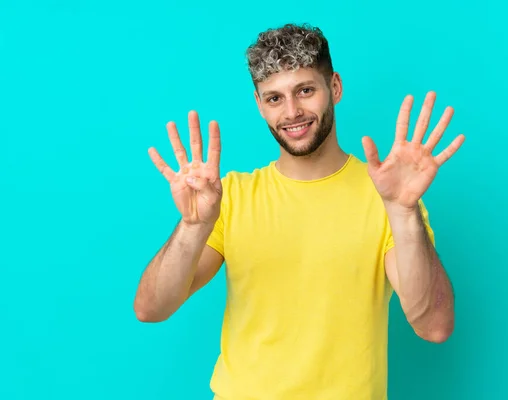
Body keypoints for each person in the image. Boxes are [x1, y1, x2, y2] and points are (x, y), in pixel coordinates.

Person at [134, 23, 465, 400]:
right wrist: (193, 227)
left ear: (334, 88)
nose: (292, 112)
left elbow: (434, 326)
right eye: (274, 98)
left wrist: (404, 212)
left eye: (305, 91)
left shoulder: (387, 199)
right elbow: (151, 308)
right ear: (259, 105)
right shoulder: (230, 198)